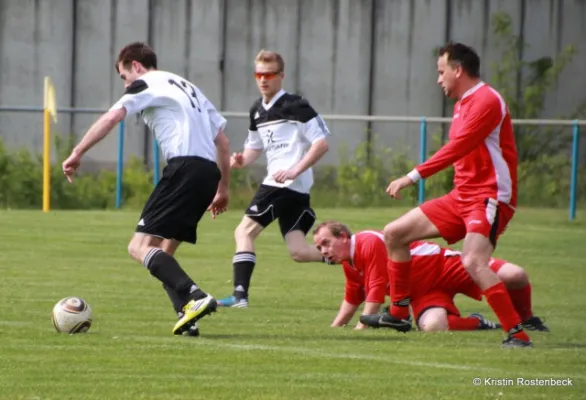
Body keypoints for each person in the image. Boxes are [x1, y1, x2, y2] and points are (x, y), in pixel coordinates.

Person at [61, 42, 231, 336]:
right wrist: (223, 188)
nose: (126, 84)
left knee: (138, 247)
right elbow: (224, 143)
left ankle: (196, 295)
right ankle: (186, 317)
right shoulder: (190, 87)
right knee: (165, 251)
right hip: (208, 174)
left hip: (184, 168)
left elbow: (113, 117)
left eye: (124, 77)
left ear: (135, 66)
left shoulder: (145, 83)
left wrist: (78, 152)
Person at [377, 42, 532, 347]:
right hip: (461, 196)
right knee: (394, 234)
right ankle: (398, 313)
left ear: (457, 69)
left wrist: (411, 177)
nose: (438, 79)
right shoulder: (461, 104)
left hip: (489, 197)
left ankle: (518, 332)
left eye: (441, 71)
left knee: (473, 262)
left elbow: (456, 149)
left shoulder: (487, 100)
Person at [217, 49, 331, 308]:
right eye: (259, 74)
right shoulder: (257, 110)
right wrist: (240, 161)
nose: (263, 79)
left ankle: (239, 296)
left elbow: (321, 144)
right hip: (294, 189)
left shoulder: (296, 105)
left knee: (243, 231)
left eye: (269, 74)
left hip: (283, 184)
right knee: (299, 252)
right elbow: (254, 148)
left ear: (281, 76)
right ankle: (350, 256)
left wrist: (294, 170)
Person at [312, 221, 549, 334]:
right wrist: (335, 327)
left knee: (515, 275)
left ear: (343, 236)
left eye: (326, 243)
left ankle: (527, 319)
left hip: (446, 267)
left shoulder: (367, 241)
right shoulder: (349, 262)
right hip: (424, 293)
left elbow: (374, 290)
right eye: (319, 248)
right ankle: (480, 323)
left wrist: (361, 327)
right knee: (434, 327)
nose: (323, 251)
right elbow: (353, 298)